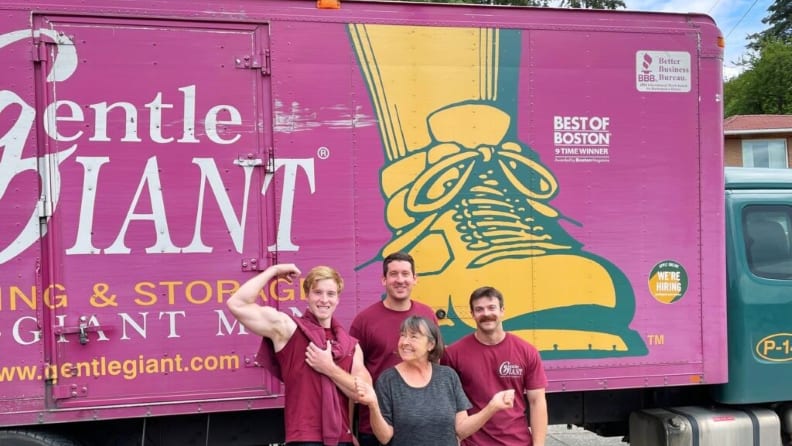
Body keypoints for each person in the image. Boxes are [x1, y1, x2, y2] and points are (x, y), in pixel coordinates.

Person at [227, 264, 369, 446]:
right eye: (317, 292)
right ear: (307, 296)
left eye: (330, 294)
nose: (324, 299)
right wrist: (274, 271)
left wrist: (329, 368)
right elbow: (237, 304)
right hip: (304, 438)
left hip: (342, 439)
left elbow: (363, 394)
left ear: (338, 299)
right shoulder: (288, 329)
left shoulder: (350, 345)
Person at [354, 315, 514, 446]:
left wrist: (492, 407)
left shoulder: (448, 377)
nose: (404, 342)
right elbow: (385, 437)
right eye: (403, 335)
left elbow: (461, 429)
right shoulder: (388, 380)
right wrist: (373, 405)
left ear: (431, 344)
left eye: (413, 337)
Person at [349, 252, 438, 446]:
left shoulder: (427, 314)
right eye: (394, 274)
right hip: (375, 426)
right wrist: (348, 429)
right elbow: (351, 377)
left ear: (415, 279)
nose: (400, 280)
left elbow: (436, 366)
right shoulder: (364, 321)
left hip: (421, 424)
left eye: (406, 274)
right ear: (384, 279)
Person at [443, 286, 548, 446]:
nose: (486, 314)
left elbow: (537, 402)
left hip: (518, 442)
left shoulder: (527, 351)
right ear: (472, 314)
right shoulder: (453, 354)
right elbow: (449, 408)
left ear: (502, 310)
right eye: (479, 309)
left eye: (492, 307)